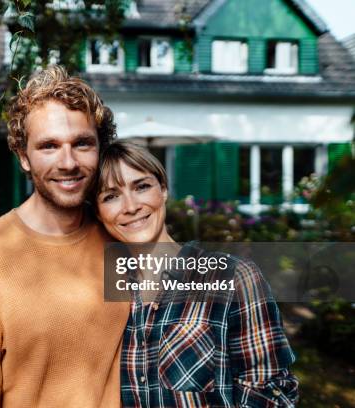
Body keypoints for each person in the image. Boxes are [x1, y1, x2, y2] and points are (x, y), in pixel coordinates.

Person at [0, 66, 130, 407]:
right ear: (23, 156)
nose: (68, 162)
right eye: (49, 146)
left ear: (100, 149)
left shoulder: (122, 238)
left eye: (82, 143)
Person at [95, 140, 299, 407]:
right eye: (111, 196)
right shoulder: (103, 294)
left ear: (164, 190)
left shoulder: (232, 277)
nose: (131, 206)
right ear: (98, 213)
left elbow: (272, 395)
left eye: (141, 186)